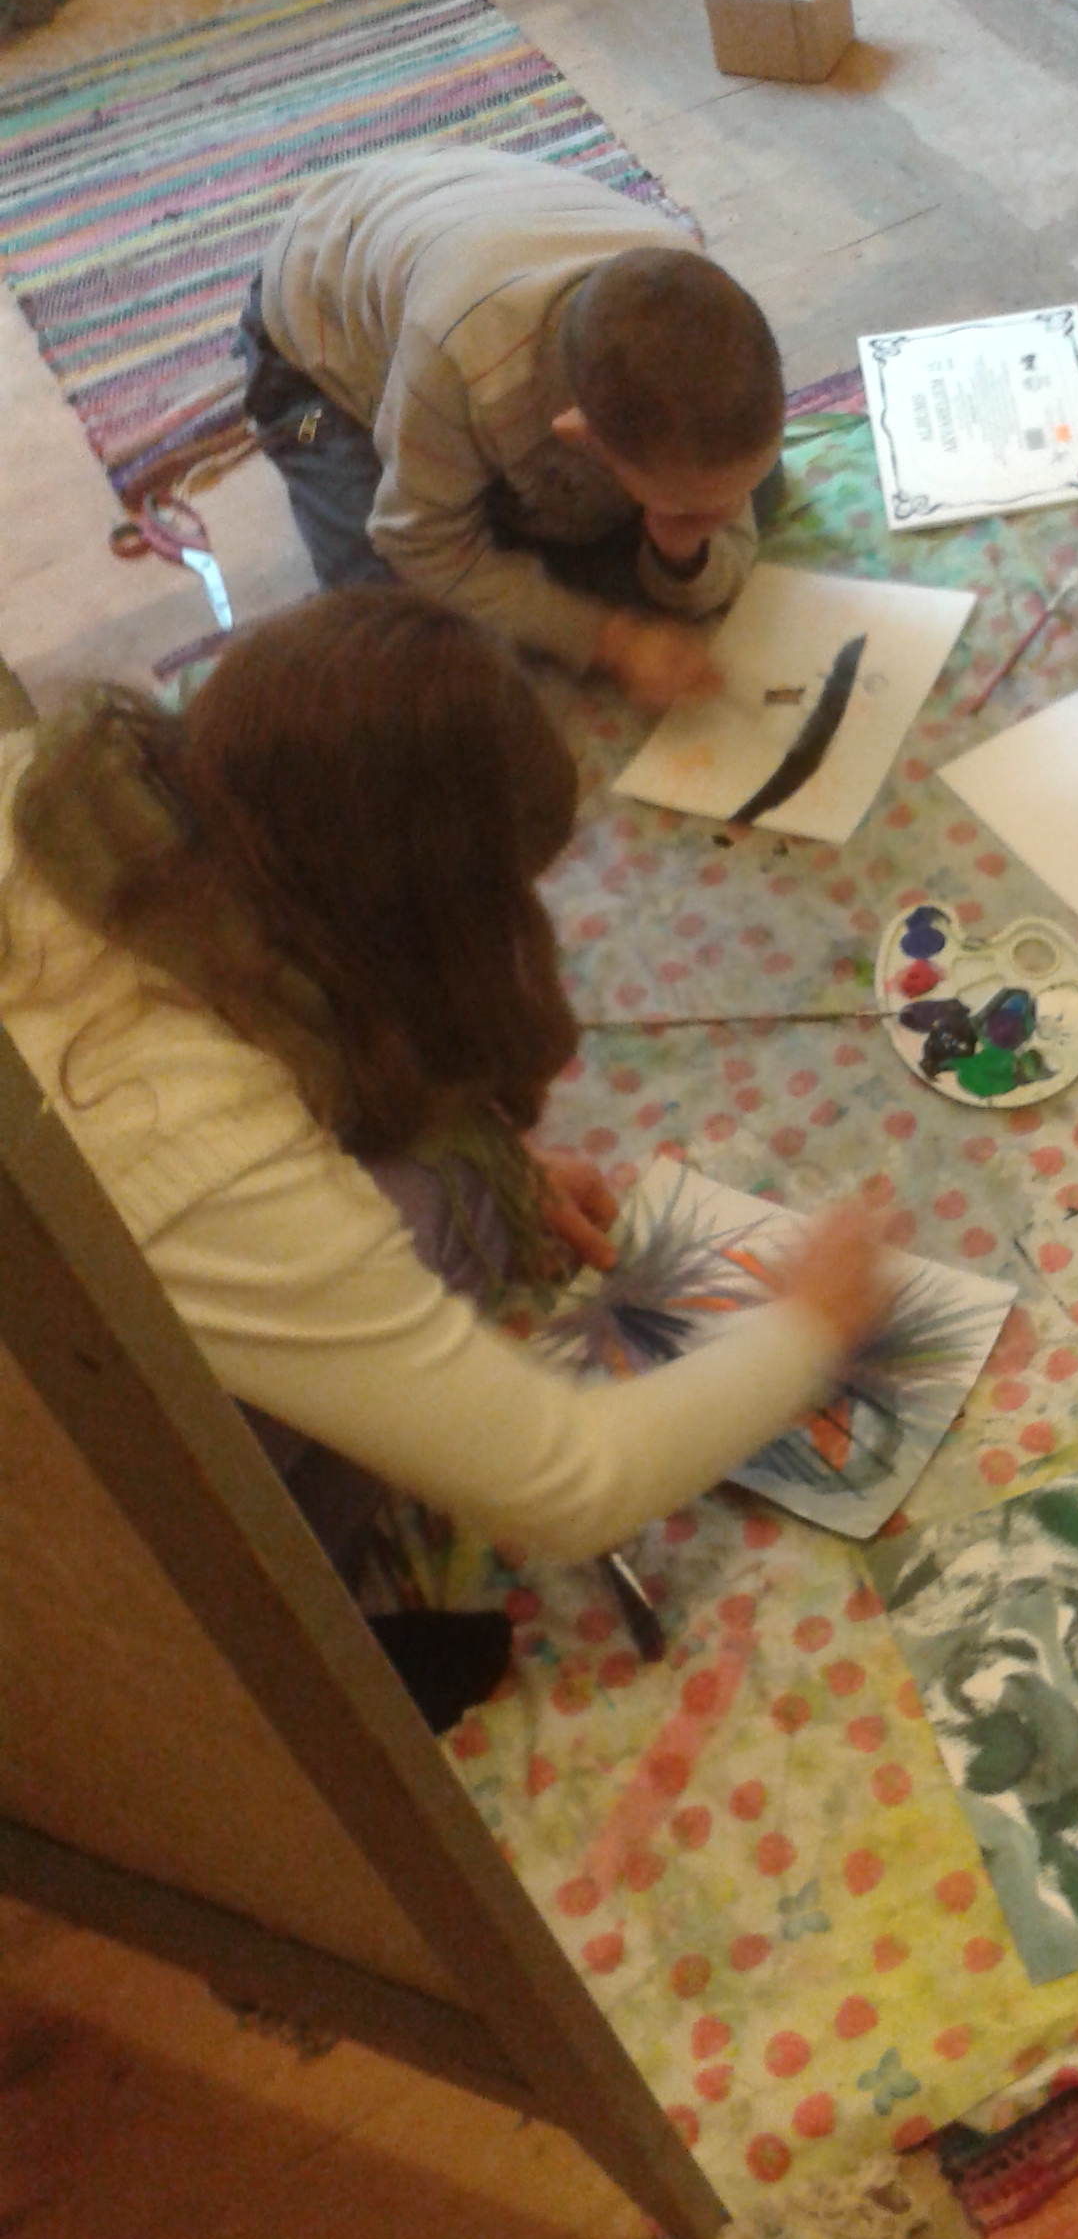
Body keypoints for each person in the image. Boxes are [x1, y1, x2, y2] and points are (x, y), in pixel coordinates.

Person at [0, 589, 889, 1710]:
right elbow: (572, 1487)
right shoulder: (197, 1146)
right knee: (377, 1301)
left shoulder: (68, 790)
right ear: (411, 920)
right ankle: (267, 1626)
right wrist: (809, 1327)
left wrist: (493, 1174)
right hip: (53, 1534)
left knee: (439, 1195)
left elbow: (322, 1037)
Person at [240, 147, 789, 713]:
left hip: (470, 229)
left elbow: (718, 507)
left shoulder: (702, 296)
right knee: (394, 636)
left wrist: (683, 549)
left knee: (756, 493)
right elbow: (418, 542)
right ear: (580, 435)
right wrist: (610, 639)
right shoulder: (459, 361)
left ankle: (566, 527)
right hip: (320, 329)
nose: (727, 512)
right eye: (691, 507)